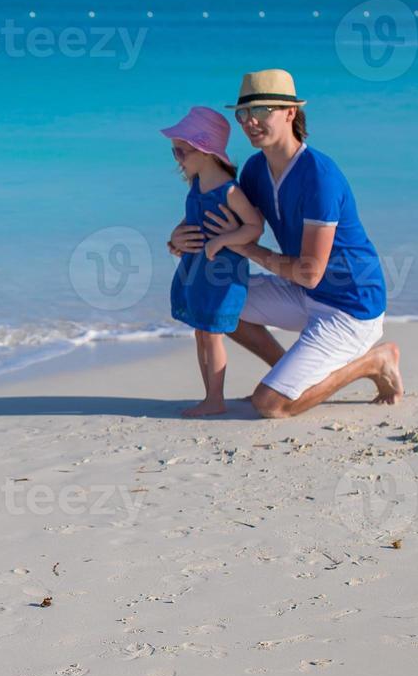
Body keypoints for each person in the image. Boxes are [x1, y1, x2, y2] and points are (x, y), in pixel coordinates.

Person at [169, 70, 402, 418]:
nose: (250, 122)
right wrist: (178, 238)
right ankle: (287, 370)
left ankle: (373, 361)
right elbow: (232, 224)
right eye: (243, 114)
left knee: (271, 406)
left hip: (350, 307)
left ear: (290, 113)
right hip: (304, 296)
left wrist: (248, 249)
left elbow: (309, 273)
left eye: (262, 111)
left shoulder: (319, 177)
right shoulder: (254, 171)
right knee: (218, 300)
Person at [164, 107, 264, 417]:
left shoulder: (230, 191)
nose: (177, 158)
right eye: (174, 152)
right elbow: (189, 220)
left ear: (206, 151)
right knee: (200, 332)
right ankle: (209, 395)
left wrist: (222, 240)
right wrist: (175, 238)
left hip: (221, 275)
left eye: (182, 151)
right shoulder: (196, 186)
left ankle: (215, 398)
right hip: (195, 271)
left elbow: (254, 227)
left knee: (213, 334)